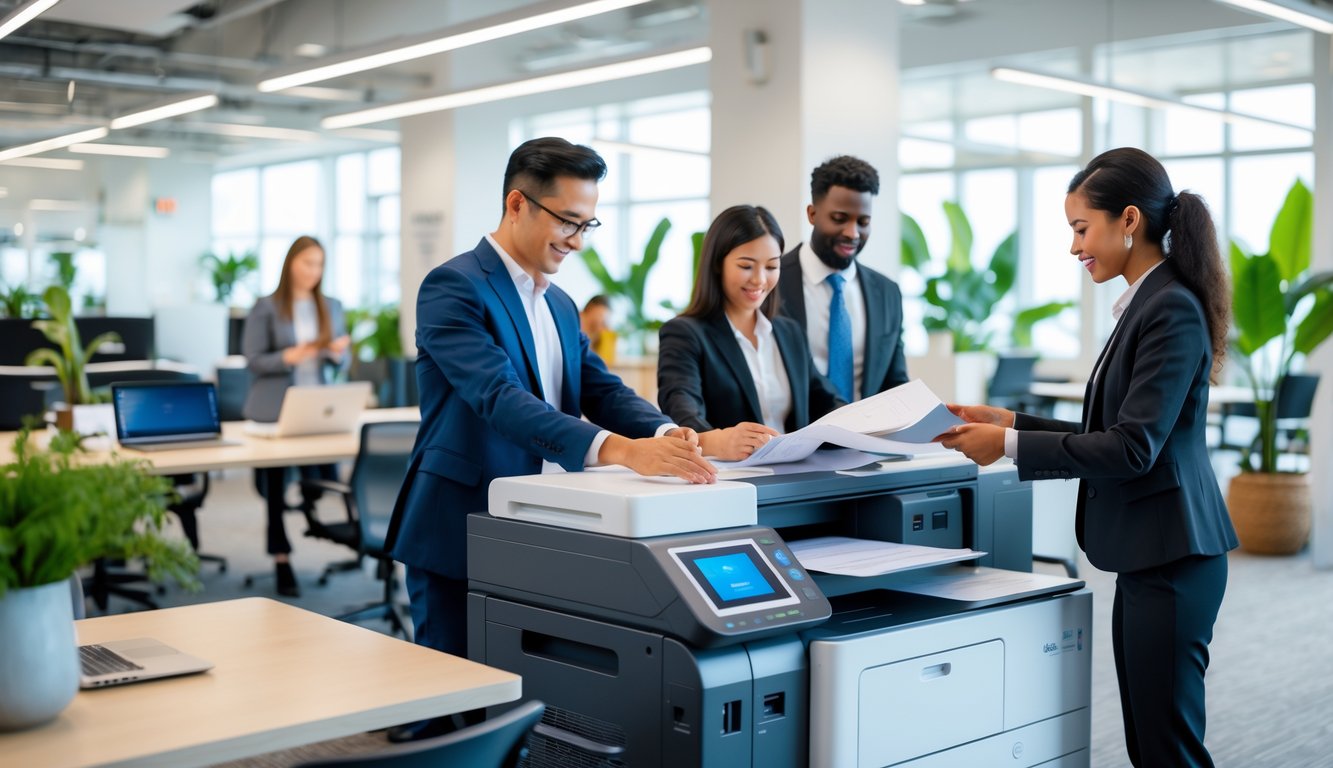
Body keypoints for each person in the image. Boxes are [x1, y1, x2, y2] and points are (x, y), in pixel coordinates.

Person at [384, 138, 716, 740]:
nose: (578, 240)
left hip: (539, 522)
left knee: (522, 697)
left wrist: (671, 435)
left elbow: (602, 388)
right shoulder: (453, 287)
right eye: (567, 221)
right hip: (461, 518)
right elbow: (500, 398)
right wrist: (622, 450)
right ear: (518, 203)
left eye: (587, 223)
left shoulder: (560, 303)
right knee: (451, 708)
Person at [938, 147, 1237, 768]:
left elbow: (1133, 447)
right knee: (1149, 740)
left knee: (1168, 747)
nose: (1075, 248)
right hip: (1152, 553)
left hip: (1174, 558)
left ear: (1129, 220)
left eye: (1081, 229)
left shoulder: (1170, 308)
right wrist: (1012, 422)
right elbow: (1114, 427)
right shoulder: (1145, 302)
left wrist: (1010, 447)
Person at [657, 204, 844, 461]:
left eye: (771, 267)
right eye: (746, 266)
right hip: (729, 480)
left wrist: (866, 422)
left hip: (797, 474)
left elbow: (825, 400)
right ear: (717, 265)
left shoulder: (789, 332)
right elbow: (682, 411)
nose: (759, 280)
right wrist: (715, 441)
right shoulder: (684, 334)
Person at [241, 235, 351, 598]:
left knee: (321, 480)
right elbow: (253, 360)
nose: (313, 271)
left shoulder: (331, 306)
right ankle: (281, 557)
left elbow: (343, 361)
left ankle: (313, 519)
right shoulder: (267, 307)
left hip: (315, 408)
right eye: (307, 263)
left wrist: (336, 355)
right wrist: (288, 357)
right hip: (275, 411)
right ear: (291, 264)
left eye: (319, 264)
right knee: (274, 488)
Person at [777, 155, 908, 402]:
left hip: (866, 438)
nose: (852, 233)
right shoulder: (772, 282)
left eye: (863, 222)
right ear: (812, 214)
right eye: (839, 219)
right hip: (792, 437)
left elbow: (895, 383)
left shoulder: (887, 293)